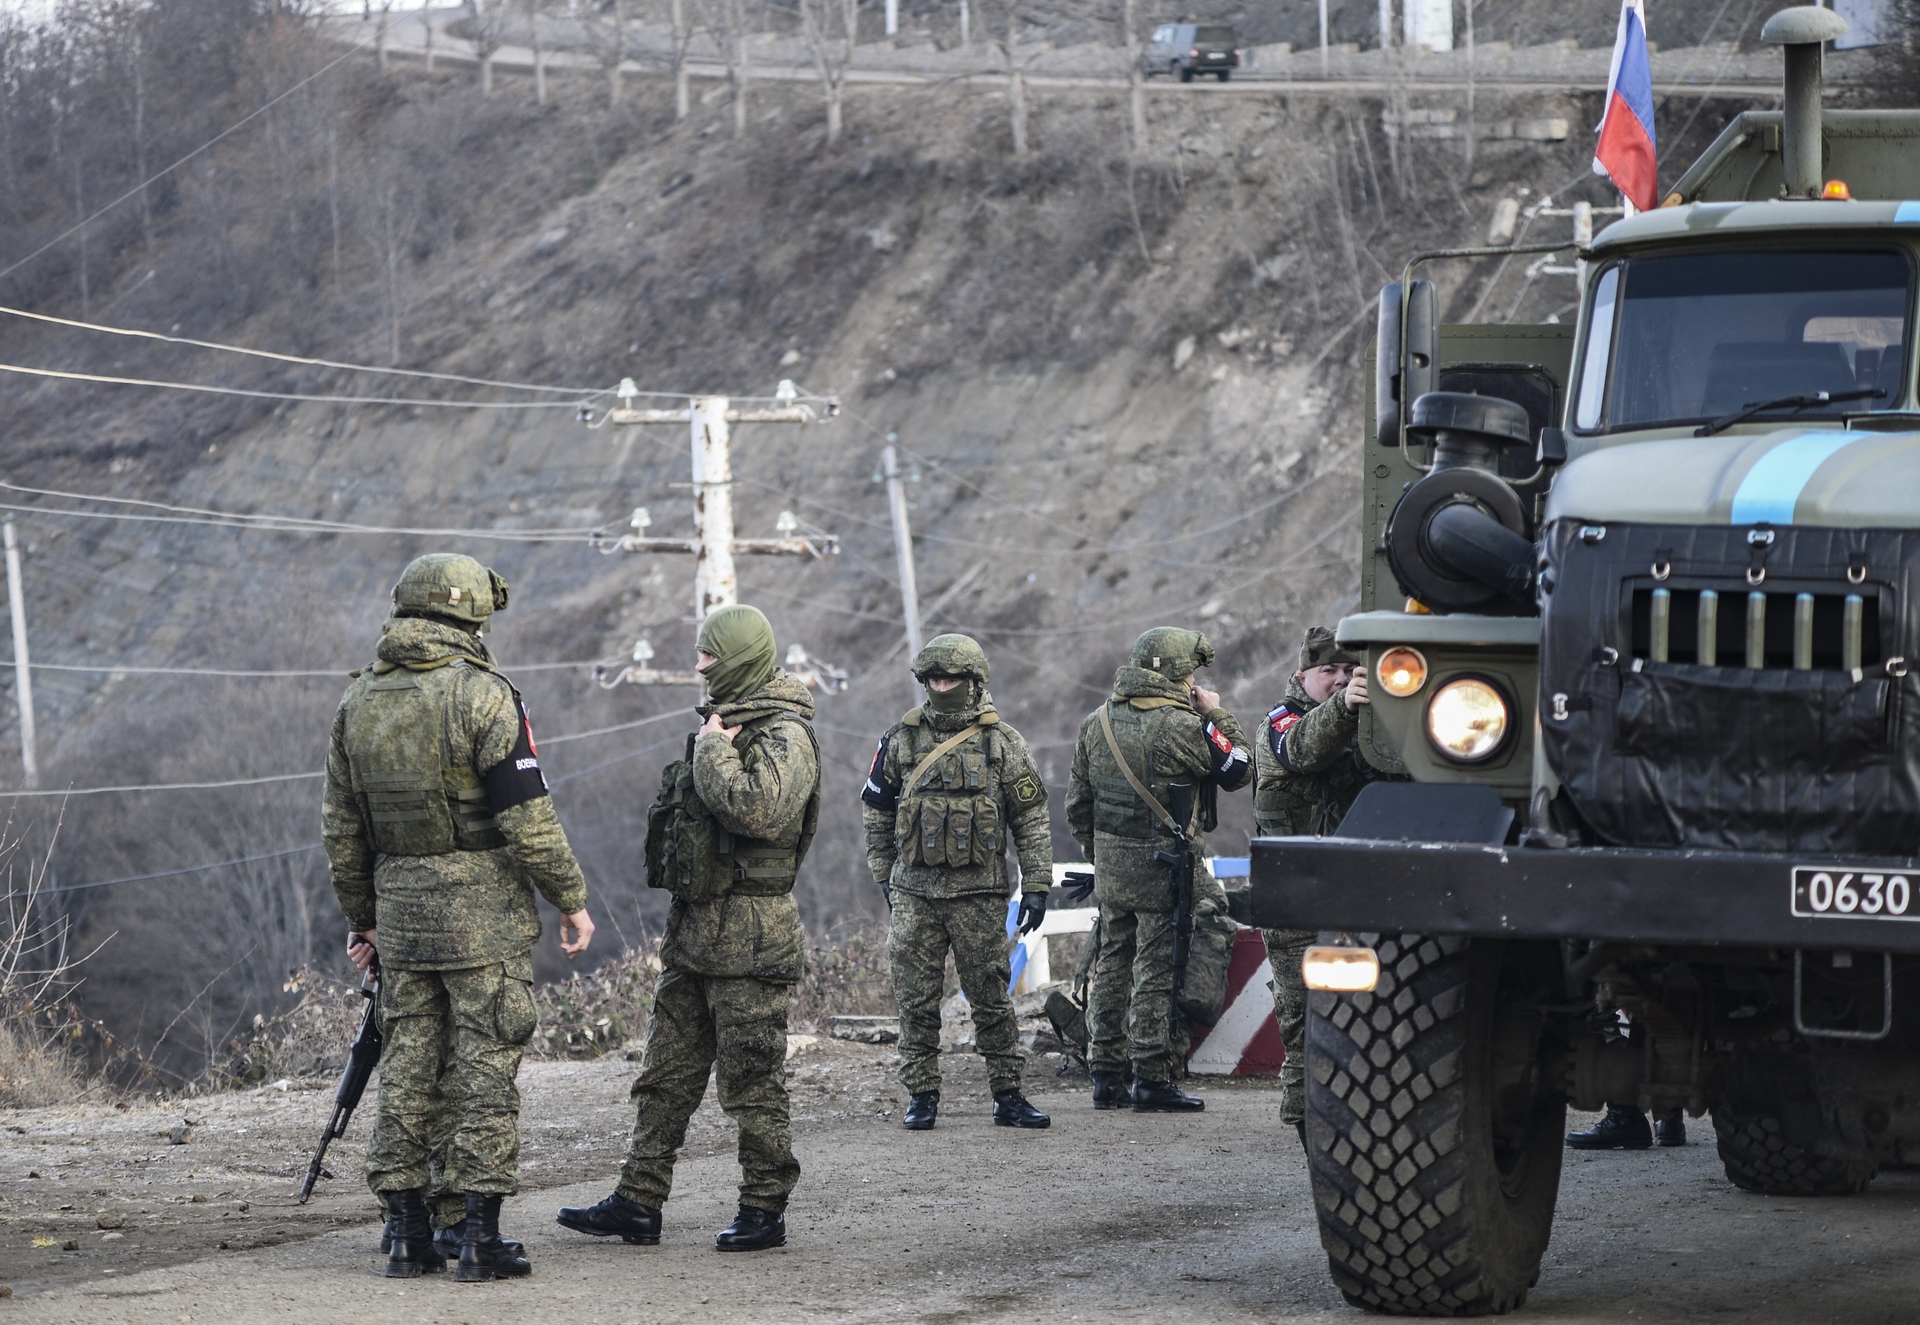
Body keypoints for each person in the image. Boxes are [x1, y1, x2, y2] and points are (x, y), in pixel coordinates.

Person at [324, 553, 595, 1282]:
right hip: (484, 919)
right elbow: (528, 819)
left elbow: (342, 829)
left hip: (403, 919)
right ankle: (479, 1237)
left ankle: (408, 1232)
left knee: (408, 1067)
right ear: (473, 617)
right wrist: (570, 898)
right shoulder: (484, 696)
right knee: (484, 1067)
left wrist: (364, 920)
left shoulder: (358, 703)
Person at [558, 604, 820, 1253]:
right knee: (664, 1076)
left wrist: (712, 749)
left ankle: (764, 1206)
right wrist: (713, 740)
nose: (698, 665)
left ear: (738, 657)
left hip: (752, 937)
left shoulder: (785, 734)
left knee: (751, 1079)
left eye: (708, 655)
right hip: (695, 934)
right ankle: (638, 1201)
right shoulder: (725, 725)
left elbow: (758, 810)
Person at [861, 634, 1054, 1132]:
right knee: (915, 998)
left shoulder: (1002, 743)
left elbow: (1030, 818)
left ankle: (1008, 1095)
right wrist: (885, 874)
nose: (941, 686)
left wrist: (1036, 884)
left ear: (974, 681)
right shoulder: (900, 739)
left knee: (990, 996)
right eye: (934, 679)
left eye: (952, 679)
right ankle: (922, 1096)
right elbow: (877, 811)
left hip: (978, 895)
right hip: (915, 894)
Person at [1066, 627, 1252, 1112]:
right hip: (1164, 865)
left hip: (1111, 866)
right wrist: (1216, 713)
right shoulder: (1182, 726)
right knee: (1155, 970)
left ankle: (1104, 1074)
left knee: (1111, 963)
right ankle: (1150, 1078)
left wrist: (1100, 857)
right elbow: (1239, 769)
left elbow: (1077, 806)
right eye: (1191, 673)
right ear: (1176, 675)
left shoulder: (1097, 721)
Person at [1251, 625, 1385, 1146]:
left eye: (1348, 671)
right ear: (1303, 674)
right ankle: (1313, 1134)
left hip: (1356, 897)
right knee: (1305, 1021)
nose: (1337, 680)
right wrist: (1346, 709)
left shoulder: (1367, 725)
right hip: (1297, 902)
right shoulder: (1281, 723)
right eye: (1327, 671)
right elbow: (1301, 750)